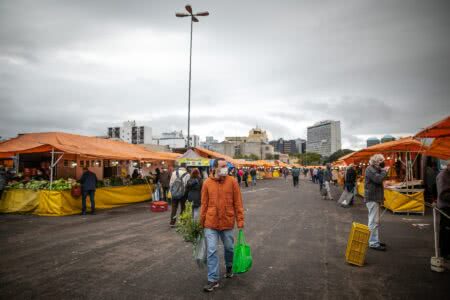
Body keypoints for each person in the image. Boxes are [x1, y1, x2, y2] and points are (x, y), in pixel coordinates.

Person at [200, 158, 245, 292]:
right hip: (211, 222)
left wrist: (240, 220)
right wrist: (201, 223)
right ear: (215, 168)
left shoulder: (232, 182)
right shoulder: (207, 183)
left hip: (227, 221)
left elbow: (238, 203)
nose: (226, 168)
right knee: (212, 250)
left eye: (227, 166)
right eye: (223, 166)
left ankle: (229, 267)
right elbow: (204, 204)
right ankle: (213, 279)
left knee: (229, 248)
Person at [364, 154, 387, 251]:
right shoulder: (370, 169)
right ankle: (373, 242)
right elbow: (378, 179)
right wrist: (384, 171)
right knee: (373, 221)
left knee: (375, 221)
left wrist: (382, 171)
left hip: (374, 198)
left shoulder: (375, 169)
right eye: (381, 160)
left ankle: (374, 240)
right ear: (376, 162)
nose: (383, 162)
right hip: (372, 198)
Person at [436, 161, 450, 262]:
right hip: (446, 207)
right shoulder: (443, 176)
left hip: (447, 206)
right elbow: (443, 194)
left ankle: (446, 251)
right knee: (445, 230)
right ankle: (445, 252)